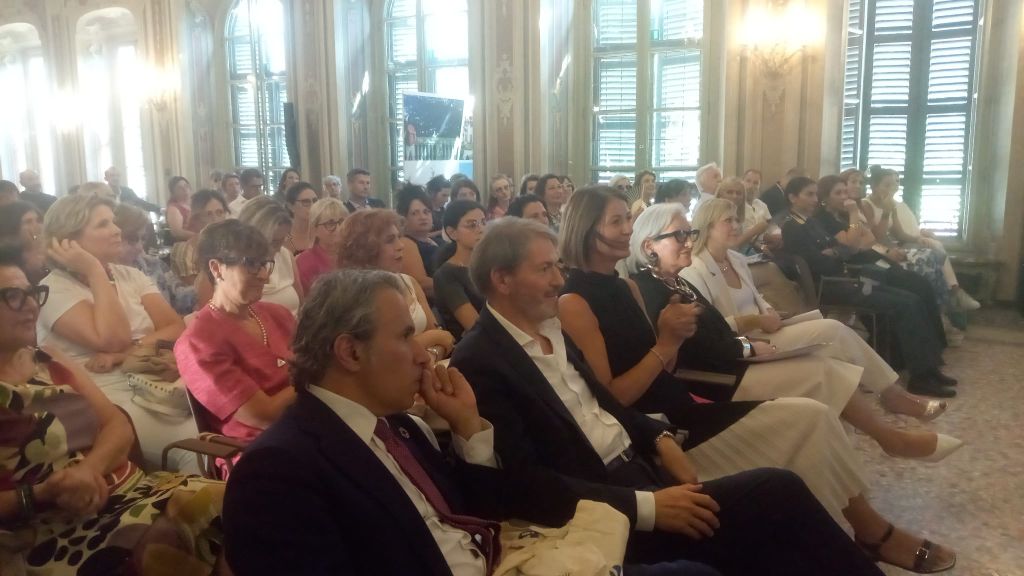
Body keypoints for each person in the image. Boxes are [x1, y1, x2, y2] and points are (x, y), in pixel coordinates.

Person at [450, 218, 892, 576]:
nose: (558, 279)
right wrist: (648, 507)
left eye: (557, 267)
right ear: (502, 279)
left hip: (641, 471)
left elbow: (605, 405)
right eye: (544, 269)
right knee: (776, 496)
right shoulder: (482, 360)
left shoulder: (548, 327)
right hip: (603, 513)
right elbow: (525, 484)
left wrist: (659, 437)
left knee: (778, 520)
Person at [552, 188, 958, 572]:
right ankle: (872, 533)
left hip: (681, 403)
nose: (627, 228)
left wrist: (673, 339)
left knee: (814, 415)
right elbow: (613, 399)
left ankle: (860, 530)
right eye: (616, 222)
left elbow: (667, 369)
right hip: (657, 426)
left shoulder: (627, 287)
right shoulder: (574, 301)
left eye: (627, 219)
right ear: (586, 230)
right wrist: (667, 342)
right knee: (807, 420)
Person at [223, 269, 588, 576]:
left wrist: (466, 425)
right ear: (350, 352)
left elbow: (481, 516)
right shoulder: (277, 471)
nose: (424, 357)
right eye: (405, 336)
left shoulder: (399, 427)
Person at [0, 250, 224, 574]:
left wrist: (89, 469)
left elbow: (117, 424)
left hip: (124, 491)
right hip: (49, 527)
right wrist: (40, 495)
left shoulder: (50, 359)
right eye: (13, 296)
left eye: (32, 293)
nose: (32, 305)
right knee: (185, 527)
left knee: (237, 500)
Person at [663, 200, 955, 428]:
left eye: (737, 219)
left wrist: (769, 311)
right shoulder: (696, 270)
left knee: (832, 340)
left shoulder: (736, 260)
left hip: (766, 328)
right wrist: (757, 320)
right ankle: (891, 397)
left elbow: (756, 298)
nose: (737, 225)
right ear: (708, 226)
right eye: (728, 221)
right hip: (744, 342)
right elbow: (714, 330)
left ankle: (880, 399)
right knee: (833, 332)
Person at [35, 195, 198, 472]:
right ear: (68, 240)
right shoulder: (53, 289)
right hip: (105, 398)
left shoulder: (130, 275)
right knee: (194, 452)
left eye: (113, 222)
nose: (117, 230)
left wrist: (126, 353)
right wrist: (94, 271)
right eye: (103, 224)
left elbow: (175, 327)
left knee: (220, 433)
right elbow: (113, 339)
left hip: (156, 381)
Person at [781, 177, 957, 397]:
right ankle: (921, 378)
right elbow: (820, 263)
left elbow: (846, 249)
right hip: (832, 286)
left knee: (913, 298)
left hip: (846, 278)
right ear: (792, 197)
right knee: (906, 305)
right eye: (809, 194)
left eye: (815, 194)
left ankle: (928, 368)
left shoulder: (809, 222)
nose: (815, 199)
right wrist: (838, 253)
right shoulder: (792, 227)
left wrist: (836, 252)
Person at [175, 220, 296, 476]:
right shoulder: (197, 342)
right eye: (251, 264)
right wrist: (314, 379)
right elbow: (263, 416)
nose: (264, 275)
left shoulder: (278, 315)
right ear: (216, 268)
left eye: (265, 264)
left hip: (306, 429)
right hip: (260, 454)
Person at [337, 209, 455, 359]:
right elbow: (382, 354)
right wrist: (429, 340)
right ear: (364, 249)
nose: (401, 245)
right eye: (390, 240)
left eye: (399, 237)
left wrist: (431, 355)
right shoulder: (353, 297)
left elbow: (444, 338)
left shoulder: (409, 282)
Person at [860, 167, 979, 313]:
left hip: (892, 248)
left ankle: (944, 304)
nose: (891, 189)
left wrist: (919, 238)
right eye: (887, 185)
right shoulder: (866, 204)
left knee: (935, 254)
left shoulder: (892, 205)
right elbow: (875, 237)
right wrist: (886, 212)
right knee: (927, 261)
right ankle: (942, 305)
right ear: (874, 186)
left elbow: (899, 233)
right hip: (879, 253)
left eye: (894, 184)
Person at [115, 203, 197, 316]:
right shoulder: (102, 277)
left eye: (143, 239)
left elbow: (181, 295)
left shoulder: (154, 265)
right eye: (132, 239)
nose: (140, 247)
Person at [232, 197, 303, 315]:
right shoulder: (232, 267)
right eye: (274, 242)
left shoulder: (285, 256)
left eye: (284, 239)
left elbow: (301, 305)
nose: (279, 249)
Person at [432, 200, 487, 340]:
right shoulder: (446, 275)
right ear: (453, 233)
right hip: (473, 344)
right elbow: (474, 326)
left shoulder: (490, 265)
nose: (481, 229)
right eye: (472, 225)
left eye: (483, 222)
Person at [170, 188, 229, 287]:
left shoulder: (232, 245)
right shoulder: (186, 252)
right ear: (196, 219)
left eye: (219, 212)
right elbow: (196, 292)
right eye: (208, 214)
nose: (215, 220)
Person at [296, 197, 348, 294]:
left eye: (342, 222)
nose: (339, 228)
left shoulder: (354, 254)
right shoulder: (305, 262)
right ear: (314, 229)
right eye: (330, 224)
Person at [396, 184, 439, 296]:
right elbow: (420, 283)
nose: (423, 217)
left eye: (426, 211)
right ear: (404, 218)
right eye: (415, 213)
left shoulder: (433, 241)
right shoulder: (405, 243)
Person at [0, 200, 48, 284]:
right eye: (28, 222)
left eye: (38, 220)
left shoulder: (46, 249)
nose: (36, 226)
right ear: (12, 227)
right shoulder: (6, 257)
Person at [283, 181, 318, 254]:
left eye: (315, 201)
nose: (312, 206)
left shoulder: (322, 231)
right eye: (306, 202)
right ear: (290, 206)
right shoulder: (282, 236)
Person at [166, 176, 195, 242]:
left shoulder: (196, 203)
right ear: (173, 193)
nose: (185, 189)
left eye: (186, 186)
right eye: (180, 188)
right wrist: (200, 236)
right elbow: (177, 232)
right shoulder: (173, 208)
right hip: (186, 244)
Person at [426, 175, 451, 239]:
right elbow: (422, 236)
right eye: (444, 195)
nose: (447, 200)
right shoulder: (425, 213)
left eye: (448, 196)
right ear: (432, 193)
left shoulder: (444, 211)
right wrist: (442, 232)